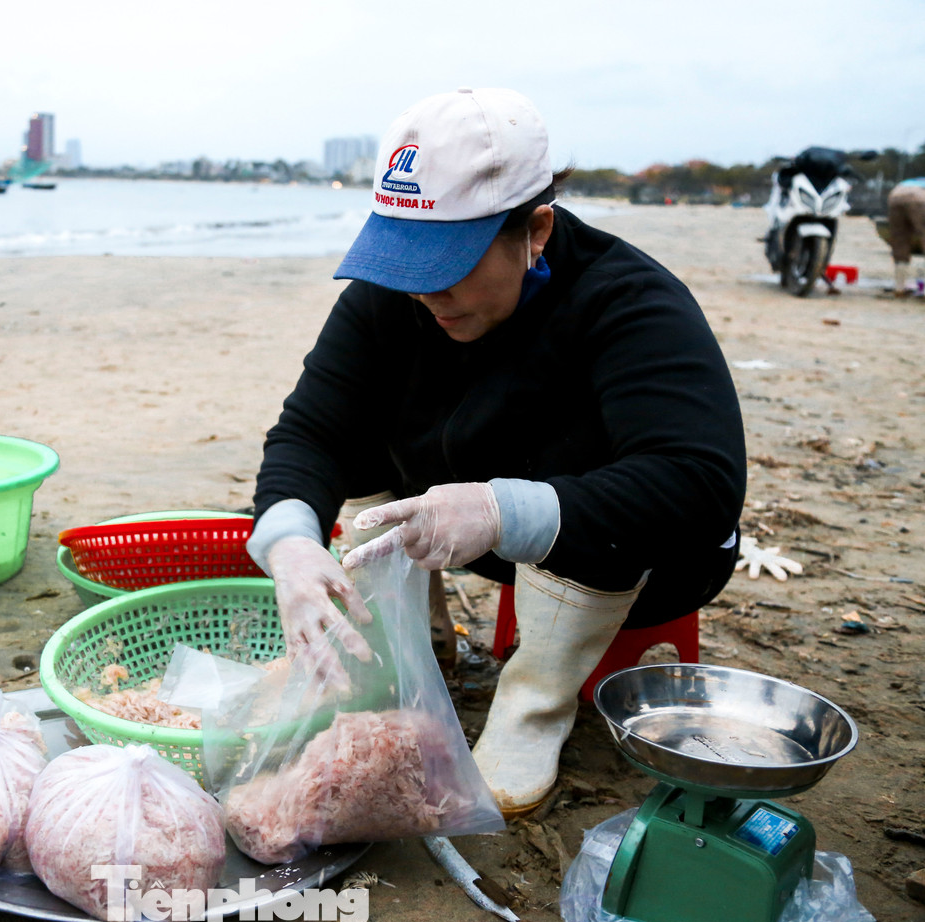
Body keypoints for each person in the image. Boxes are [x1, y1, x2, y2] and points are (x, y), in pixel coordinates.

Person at [246, 88, 746, 818]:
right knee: (350, 458)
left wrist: (497, 507)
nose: (427, 290)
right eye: (407, 261)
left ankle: (534, 707)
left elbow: (699, 485)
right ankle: (415, 641)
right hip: (470, 523)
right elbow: (311, 430)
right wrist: (289, 543)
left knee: (617, 489)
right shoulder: (400, 293)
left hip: (638, 554)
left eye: (451, 261)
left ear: (535, 230)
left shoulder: (628, 301)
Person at [886, 178, 925, 298]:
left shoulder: (916, 180)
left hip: (895, 195)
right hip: (918, 197)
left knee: (899, 240)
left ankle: (899, 288)